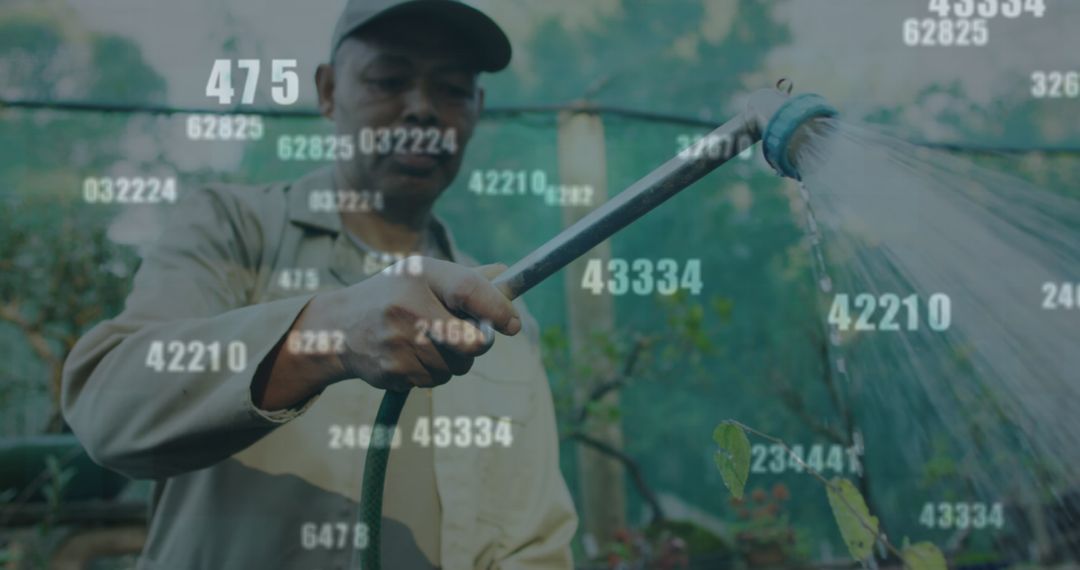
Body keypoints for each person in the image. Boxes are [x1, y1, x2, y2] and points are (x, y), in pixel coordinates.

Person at [61, 1, 577, 568]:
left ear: (476, 110)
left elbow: (536, 540)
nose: (423, 110)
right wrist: (324, 335)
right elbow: (108, 408)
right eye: (389, 79)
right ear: (328, 91)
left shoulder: (500, 313)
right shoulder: (234, 230)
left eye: (452, 89)